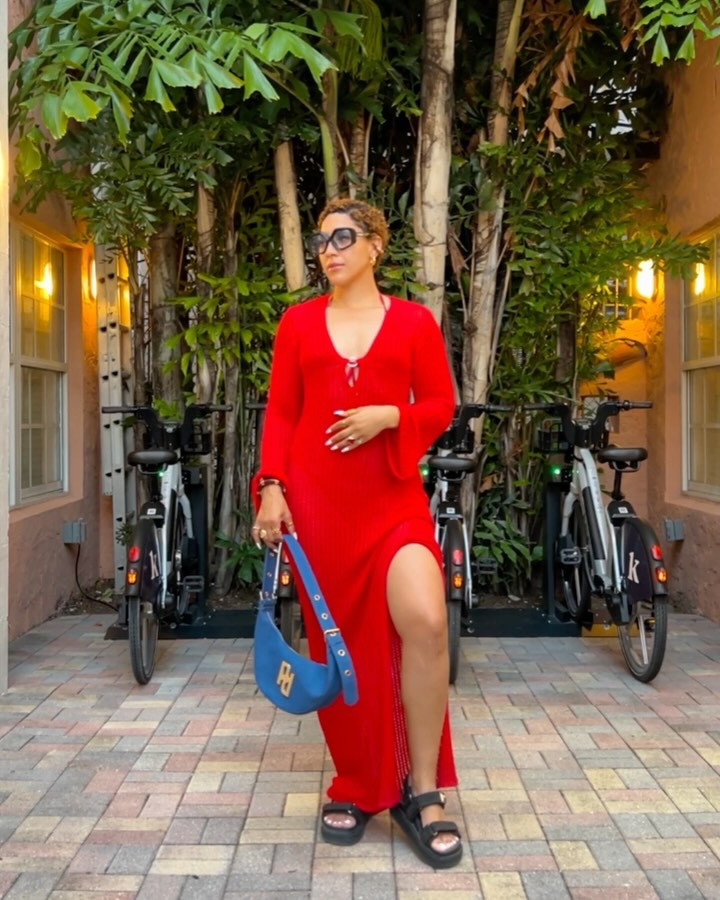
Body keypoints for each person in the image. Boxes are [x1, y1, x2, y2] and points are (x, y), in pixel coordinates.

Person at [252, 197, 462, 869]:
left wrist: (389, 417)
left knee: (426, 620)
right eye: (321, 239)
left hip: (392, 504)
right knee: (340, 650)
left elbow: (439, 404)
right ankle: (357, 784)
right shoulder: (297, 324)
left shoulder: (412, 323)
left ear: (376, 244)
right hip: (318, 508)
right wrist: (272, 488)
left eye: (343, 236)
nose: (329, 249)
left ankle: (422, 788)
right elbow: (282, 411)